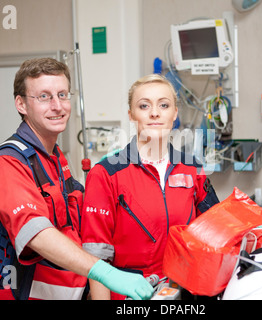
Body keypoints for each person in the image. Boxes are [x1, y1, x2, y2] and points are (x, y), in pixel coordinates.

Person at [0, 58, 153, 300]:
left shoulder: (55, 158)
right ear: (21, 104)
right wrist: (104, 273)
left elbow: (78, 225)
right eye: (44, 97)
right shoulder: (8, 161)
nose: (57, 106)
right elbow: (35, 232)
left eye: (62, 94)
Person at [82, 74, 220, 299]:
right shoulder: (106, 173)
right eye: (144, 105)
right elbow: (97, 259)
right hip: (132, 295)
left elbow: (216, 230)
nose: (154, 113)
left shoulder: (192, 169)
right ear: (131, 115)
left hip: (184, 290)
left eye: (163, 105)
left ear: (175, 113)